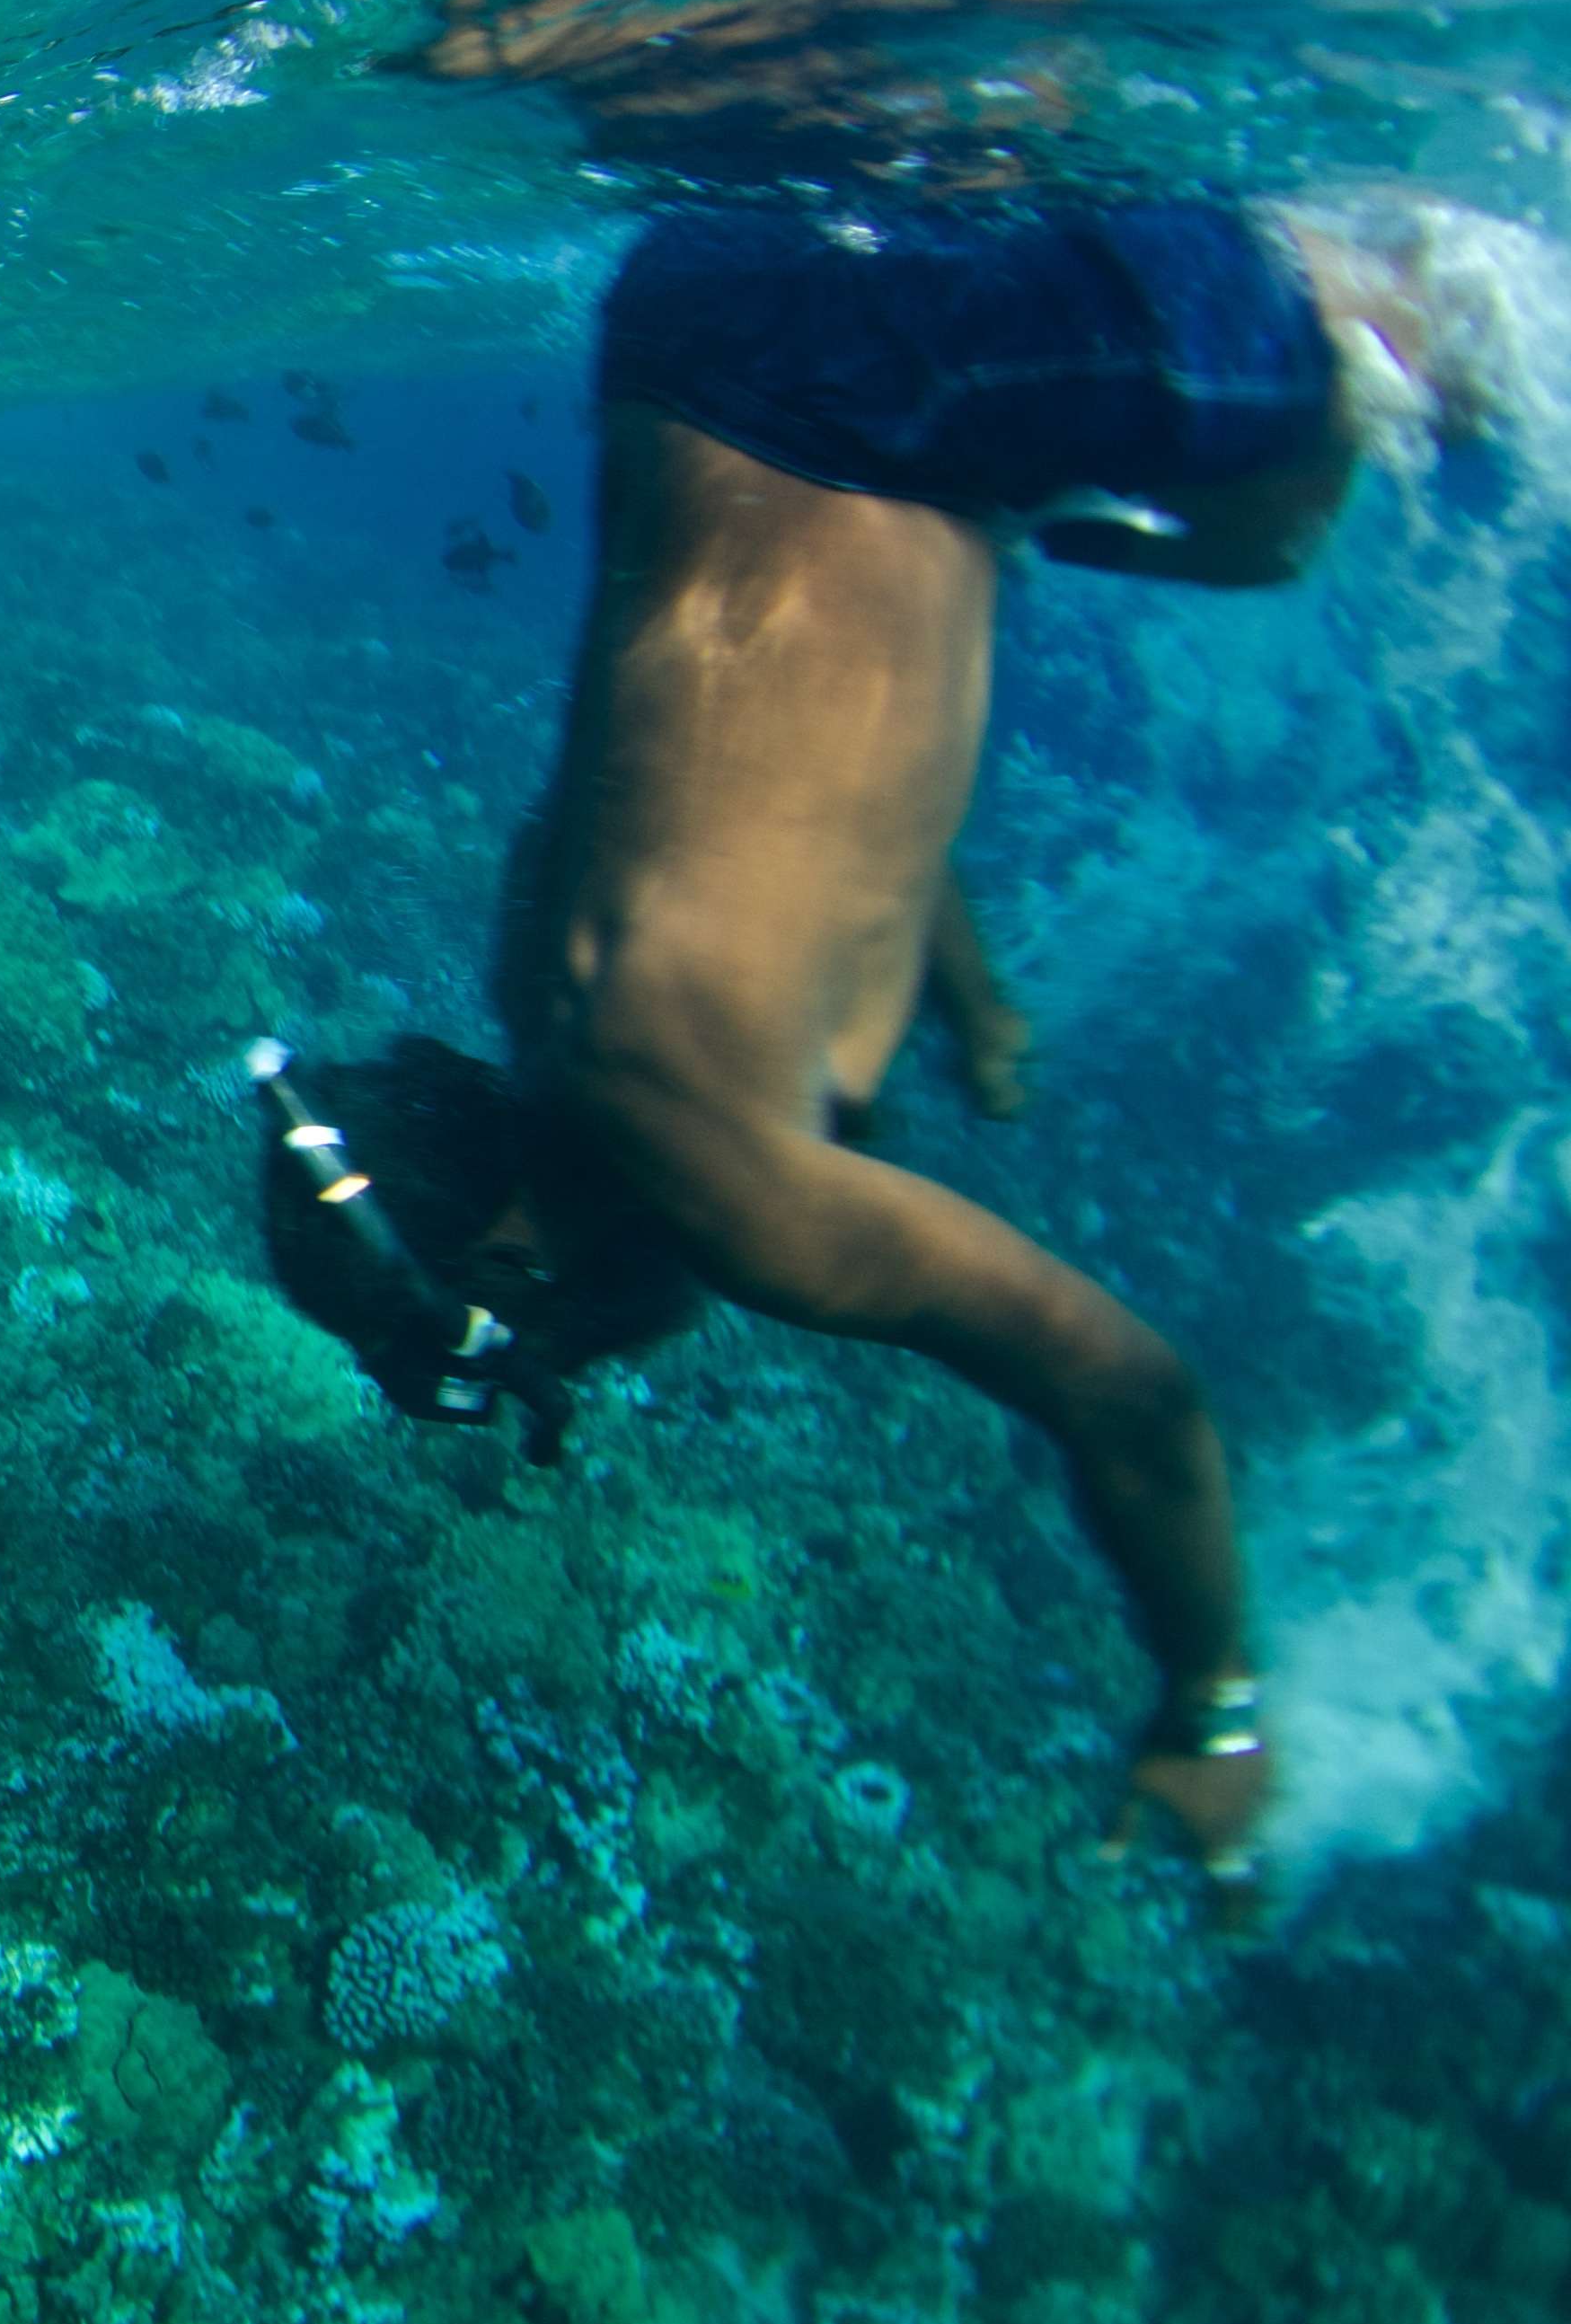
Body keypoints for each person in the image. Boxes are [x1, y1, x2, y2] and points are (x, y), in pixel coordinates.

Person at [253, 191, 1543, 1879]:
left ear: (504, 1253)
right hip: (703, 334)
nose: (594, 1361)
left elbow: (1128, 1396)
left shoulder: (727, 1181)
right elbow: (794, 781)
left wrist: (1211, 1702)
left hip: (897, 390)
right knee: (1005, 92)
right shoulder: (538, 980)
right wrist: (976, 1000)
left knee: (1442, 353)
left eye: (541, 1351)